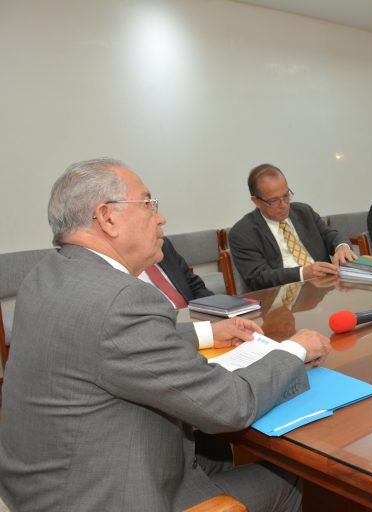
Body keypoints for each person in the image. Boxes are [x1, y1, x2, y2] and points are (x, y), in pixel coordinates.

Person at [0, 158, 332, 511]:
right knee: (289, 479)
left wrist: (207, 332)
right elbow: (228, 406)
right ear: (107, 217)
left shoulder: (47, 274)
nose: (160, 218)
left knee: (213, 451)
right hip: (105, 496)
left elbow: (105, 341)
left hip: (43, 486)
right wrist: (294, 350)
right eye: (148, 203)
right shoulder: (122, 300)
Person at [229, 164, 356, 291]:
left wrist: (341, 246)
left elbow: (330, 235)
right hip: (281, 296)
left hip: (325, 290)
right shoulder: (242, 233)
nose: (283, 205)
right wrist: (302, 273)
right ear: (256, 201)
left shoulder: (303, 212)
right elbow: (258, 278)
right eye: (274, 200)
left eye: (286, 196)